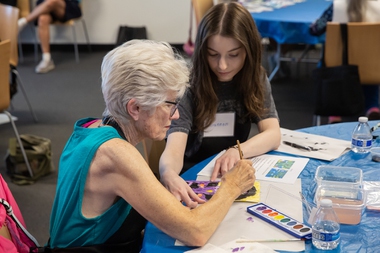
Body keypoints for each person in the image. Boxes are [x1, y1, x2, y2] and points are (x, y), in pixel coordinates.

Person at [45, 40, 256, 252]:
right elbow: (196, 231)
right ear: (135, 107)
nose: (176, 115)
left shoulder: (91, 128)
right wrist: (232, 186)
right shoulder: (115, 153)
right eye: (169, 105)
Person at [159, 3, 281, 208]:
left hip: (233, 174)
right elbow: (174, 150)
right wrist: (168, 173)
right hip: (194, 175)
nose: (222, 65)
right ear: (201, 51)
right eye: (213, 54)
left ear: (249, 51)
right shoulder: (189, 84)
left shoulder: (254, 77)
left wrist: (236, 150)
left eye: (233, 55)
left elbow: (273, 134)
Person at [310, 0, 380, 123]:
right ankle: (372, 107)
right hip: (372, 67)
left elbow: (315, 30)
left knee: (331, 62)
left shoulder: (335, 7)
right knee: (367, 61)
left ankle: (334, 113)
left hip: (338, 68)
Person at [17, 0, 82, 74]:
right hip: (47, 7)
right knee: (42, 18)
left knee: (52, 1)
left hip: (69, 6)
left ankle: (22, 22)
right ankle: (47, 59)